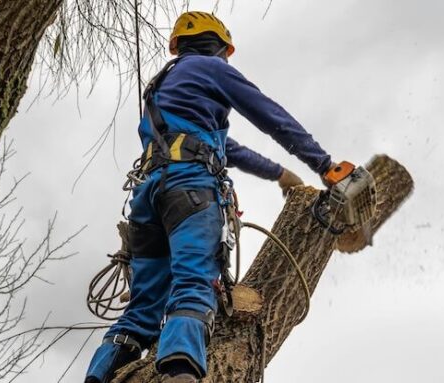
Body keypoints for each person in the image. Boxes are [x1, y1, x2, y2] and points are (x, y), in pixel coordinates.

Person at [85, 11, 334, 383]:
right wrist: (324, 164)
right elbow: (269, 114)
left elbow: (227, 149)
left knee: (142, 308)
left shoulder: (164, 86)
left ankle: (99, 376)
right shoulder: (211, 69)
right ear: (219, 47)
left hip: (148, 199)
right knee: (193, 282)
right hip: (190, 193)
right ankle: (181, 373)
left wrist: (279, 174)